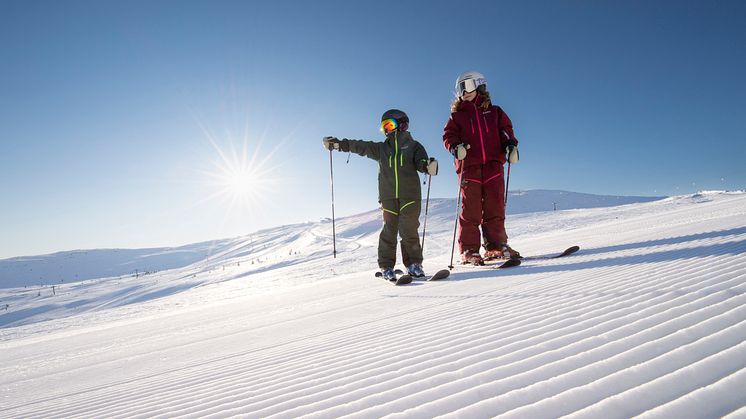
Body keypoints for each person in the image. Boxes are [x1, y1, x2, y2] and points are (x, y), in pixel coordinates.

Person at [323, 109, 438, 280]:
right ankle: (386, 267)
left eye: (390, 124)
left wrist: (427, 166)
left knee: (409, 230)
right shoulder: (381, 149)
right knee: (388, 231)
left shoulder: (414, 146)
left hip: (410, 196)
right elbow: (360, 146)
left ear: (402, 125)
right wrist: (339, 144)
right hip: (388, 196)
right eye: (384, 126)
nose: (386, 130)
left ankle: (414, 264)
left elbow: (421, 162)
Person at [442, 71, 521, 265]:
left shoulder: (495, 112)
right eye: (460, 89)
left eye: (467, 86)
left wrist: (510, 145)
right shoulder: (457, 117)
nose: (463, 92)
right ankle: (469, 249)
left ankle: (496, 245)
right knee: (471, 209)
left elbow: (506, 130)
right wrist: (455, 147)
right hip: (470, 166)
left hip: (494, 164)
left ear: (480, 86)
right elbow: (448, 135)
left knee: (495, 205)